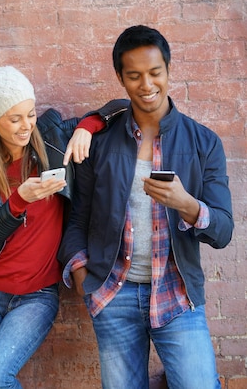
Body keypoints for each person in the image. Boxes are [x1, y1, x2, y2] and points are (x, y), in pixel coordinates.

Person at [58, 25, 234, 389]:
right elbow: (78, 217)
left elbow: (223, 231)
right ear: (121, 79)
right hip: (113, 296)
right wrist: (80, 273)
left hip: (177, 294)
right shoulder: (100, 142)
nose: (147, 84)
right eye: (134, 76)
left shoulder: (204, 143)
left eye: (155, 73)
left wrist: (187, 205)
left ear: (168, 71)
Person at [0, 66, 126, 388]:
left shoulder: (56, 140)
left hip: (36, 296)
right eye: (14, 118)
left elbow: (124, 107)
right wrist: (18, 201)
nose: (26, 126)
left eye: (30, 114)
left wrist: (87, 127)